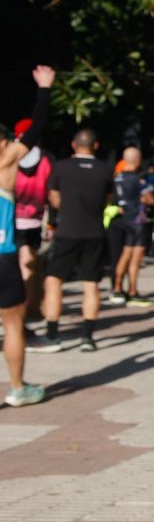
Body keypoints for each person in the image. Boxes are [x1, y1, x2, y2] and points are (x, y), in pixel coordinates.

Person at [2, 67, 55, 406]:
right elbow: (35, 130)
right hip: (3, 254)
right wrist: (45, 90)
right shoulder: (6, 160)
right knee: (13, 325)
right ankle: (18, 388)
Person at [37, 126, 112, 353]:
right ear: (95, 146)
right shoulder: (105, 170)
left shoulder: (60, 168)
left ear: (73, 144)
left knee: (54, 281)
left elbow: (54, 199)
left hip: (67, 231)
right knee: (91, 284)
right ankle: (87, 337)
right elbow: (107, 201)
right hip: (95, 232)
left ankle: (52, 335)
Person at [10, 119, 52, 320]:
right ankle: (31, 308)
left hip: (9, 219)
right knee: (32, 266)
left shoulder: (8, 158)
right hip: (35, 221)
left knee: (17, 265)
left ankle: (20, 310)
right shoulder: (46, 159)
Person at [107, 145, 154, 307]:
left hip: (123, 219)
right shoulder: (138, 179)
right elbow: (150, 199)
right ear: (137, 160)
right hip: (137, 221)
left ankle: (117, 288)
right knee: (135, 259)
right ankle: (133, 291)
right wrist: (147, 199)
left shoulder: (117, 178)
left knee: (124, 255)